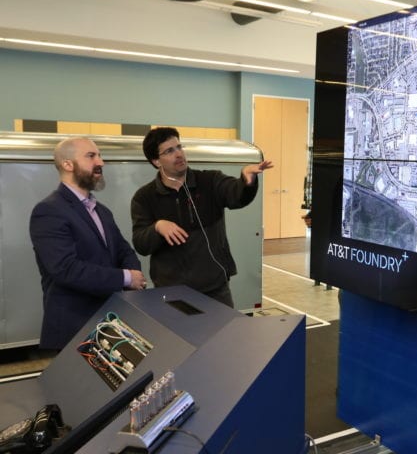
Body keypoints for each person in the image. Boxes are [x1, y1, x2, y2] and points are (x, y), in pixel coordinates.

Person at [131, 127, 272, 307]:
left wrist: (246, 181)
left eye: (179, 147)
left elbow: (236, 195)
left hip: (215, 290)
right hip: (172, 293)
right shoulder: (144, 197)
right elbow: (141, 244)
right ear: (156, 161)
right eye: (169, 151)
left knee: (226, 327)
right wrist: (157, 227)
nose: (179, 154)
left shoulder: (210, 181)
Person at [29, 137, 146, 350]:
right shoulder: (48, 211)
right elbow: (66, 269)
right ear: (68, 164)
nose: (100, 162)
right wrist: (126, 277)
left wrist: (135, 275)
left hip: (111, 324)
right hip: (74, 330)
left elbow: (123, 250)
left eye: (100, 155)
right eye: (91, 156)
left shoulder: (101, 211)